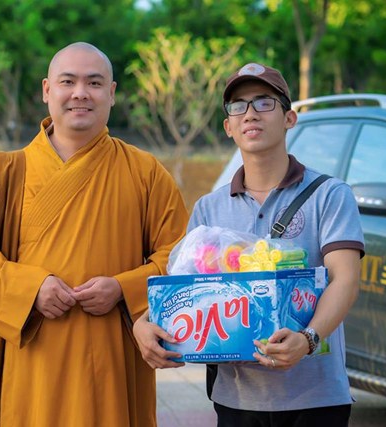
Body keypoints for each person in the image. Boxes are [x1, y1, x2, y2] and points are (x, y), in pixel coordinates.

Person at [0, 42, 188, 427]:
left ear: (111, 93)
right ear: (47, 90)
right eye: (67, 82)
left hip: (114, 357)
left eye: (94, 82)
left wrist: (123, 288)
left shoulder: (146, 172)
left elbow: (180, 257)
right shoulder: (5, 173)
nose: (80, 93)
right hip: (34, 361)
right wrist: (31, 289)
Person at [133, 63, 364, 426]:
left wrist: (307, 338)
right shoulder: (209, 208)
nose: (251, 113)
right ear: (228, 126)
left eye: (264, 102)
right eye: (238, 106)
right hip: (236, 398)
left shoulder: (329, 195)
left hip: (316, 397)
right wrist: (143, 323)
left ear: (289, 118)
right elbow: (188, 289)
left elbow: (345, 280)